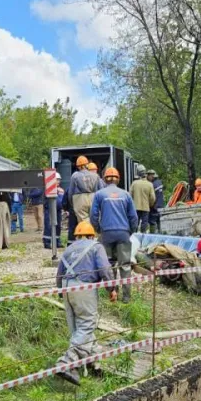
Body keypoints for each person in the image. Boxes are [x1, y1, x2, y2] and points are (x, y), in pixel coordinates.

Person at [55, 221, 116, 386]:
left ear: (76, 236)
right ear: (92, 235)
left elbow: (59, 274)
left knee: (78, 328)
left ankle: (94, 361)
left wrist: (62, 293)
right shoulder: (96, 247)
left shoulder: (69, 249)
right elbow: (104, 269)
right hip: (84, 287)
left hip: (67, 288)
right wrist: (112, 289)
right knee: (87, 325)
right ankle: (66, 363)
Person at [90, 167, 137, 303]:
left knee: (109, 264)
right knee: (125, 265)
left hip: (107, 233)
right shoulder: (126, 195)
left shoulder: (99, 194)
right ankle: (126, 298)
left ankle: (112, 293)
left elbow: (93, 215)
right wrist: (129, 231)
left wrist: (99, 229)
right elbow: (133, 217)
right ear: (118, 179)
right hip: (123, 233)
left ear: (105, 179)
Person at [69, 155, 102, 226]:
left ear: (78, 166)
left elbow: (70, 192)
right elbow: (101, 190)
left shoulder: (74, 176)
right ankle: (95, 236)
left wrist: (72, 203)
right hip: (93, 198)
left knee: (83, 223)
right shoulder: (95, 175)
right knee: (95, 221)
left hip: (79, 200)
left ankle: (85, 236)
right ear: (87, 165)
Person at [129, 167, 156, 233]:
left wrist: (132, 204)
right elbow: (153, 198)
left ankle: (134, 236)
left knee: (135, 223)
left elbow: (129, 196)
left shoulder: (134, 183)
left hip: (135, 207)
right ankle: (143, 237)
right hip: (146, 207)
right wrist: (150, 204)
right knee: (144, 224)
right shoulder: (150, 184)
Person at [147, 169, 164, 233]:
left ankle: (152, 235)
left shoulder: (152, 185)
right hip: (161, 205)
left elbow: (152, 197)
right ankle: (160, 234)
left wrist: (150, 205)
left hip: (155, 206)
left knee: (152, 222)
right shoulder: (159, 182)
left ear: (151, 176)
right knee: (159, 221)